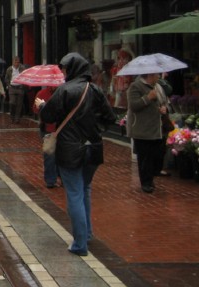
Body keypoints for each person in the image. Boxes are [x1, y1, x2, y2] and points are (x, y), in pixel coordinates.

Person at [37, 53, 115, 256]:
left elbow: (48, 115)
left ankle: (80, 243)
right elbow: (110, 118)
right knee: (84, 188)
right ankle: (87, 233)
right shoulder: (96, 90)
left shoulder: (65, 90)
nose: (62, 73)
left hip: (70, 149)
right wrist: (93, 128)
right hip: (93, 148)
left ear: (72, 69)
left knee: (75, 192)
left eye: (64, 69)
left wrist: (42, 106)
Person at [127, 73, 169, 193]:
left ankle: (150, 178)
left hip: (156, 128)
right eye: (156, 74)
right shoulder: (135, 86)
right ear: (150, 75)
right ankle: (146, 183)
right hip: (141, 128)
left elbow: (163, 102)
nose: (158, 77)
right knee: (145, 157)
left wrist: (163, 108)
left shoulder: (158, 86)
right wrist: (148, 97)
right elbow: (133, 105)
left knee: (155, 155)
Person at [34, 85, 59, 188]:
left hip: (61, 129)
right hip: (47, 129)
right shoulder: (42, 93)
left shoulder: (63, 92)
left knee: (61, 154)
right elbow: (35, 109)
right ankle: (50, 180)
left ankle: (60, 177)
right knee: (49, 155)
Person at [4, 56, 27, 122]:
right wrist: (8, 85)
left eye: (18, 62)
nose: (17, 63)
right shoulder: (9, 69)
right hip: (12, 87)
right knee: (12, 102)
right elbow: (6, 78)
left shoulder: (22, 68)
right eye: (15, 62)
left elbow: (25, 76)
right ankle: (12, 116)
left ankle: (17, 118)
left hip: (20, 87)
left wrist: (23, 85)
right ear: (13, 62)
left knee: (19, 104)